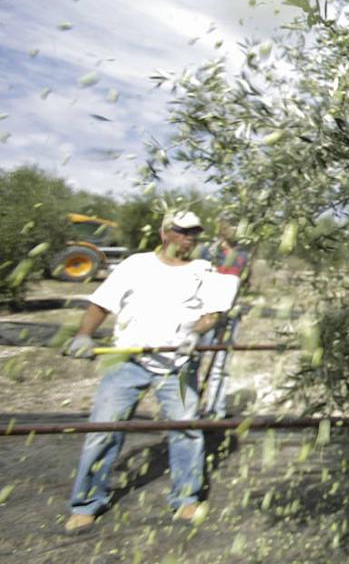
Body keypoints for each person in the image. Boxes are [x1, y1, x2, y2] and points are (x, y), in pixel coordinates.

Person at [60, 210, 237, 533]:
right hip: (126, 360)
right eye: (183, 232)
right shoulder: (135, 265)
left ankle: (186, 499)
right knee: (103, 431)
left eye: (194, 233)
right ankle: (86, 503)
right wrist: (83, 335)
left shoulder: (203, 270)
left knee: (186, 429)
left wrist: (195, 333)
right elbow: (101, 303)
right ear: (164, 233)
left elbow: (212, 314)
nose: (190, 238)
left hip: (179, 366)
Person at [194, 217, 252, 418]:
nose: (235, 230)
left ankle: (215, 409)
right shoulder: (205, 252)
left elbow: (246, 283)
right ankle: (189, 407)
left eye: (239, 226)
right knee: (194, 358)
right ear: (221, 228)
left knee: (221, 363)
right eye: (232, 225)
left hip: (229, 316)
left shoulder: (244, 255)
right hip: (203, 313)